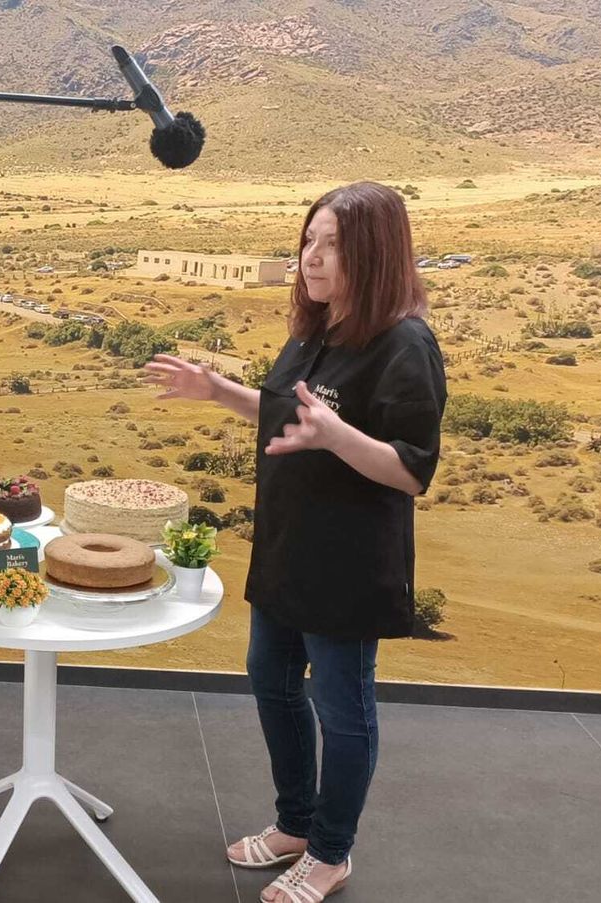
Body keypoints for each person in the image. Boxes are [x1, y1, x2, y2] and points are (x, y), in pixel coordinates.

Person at [145, 182, 447, 903]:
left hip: (347, 565)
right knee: (272, 680)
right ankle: (296, 823)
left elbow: (411, 469)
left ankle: (332, 851)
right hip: (286, 548)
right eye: (308, 240)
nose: (312, 257)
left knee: (343, 709)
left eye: (332, 244)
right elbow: (289, 412)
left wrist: (335, 435)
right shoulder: (317, 330)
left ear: (375, 252)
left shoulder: (404, 342)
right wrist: (218, 389)